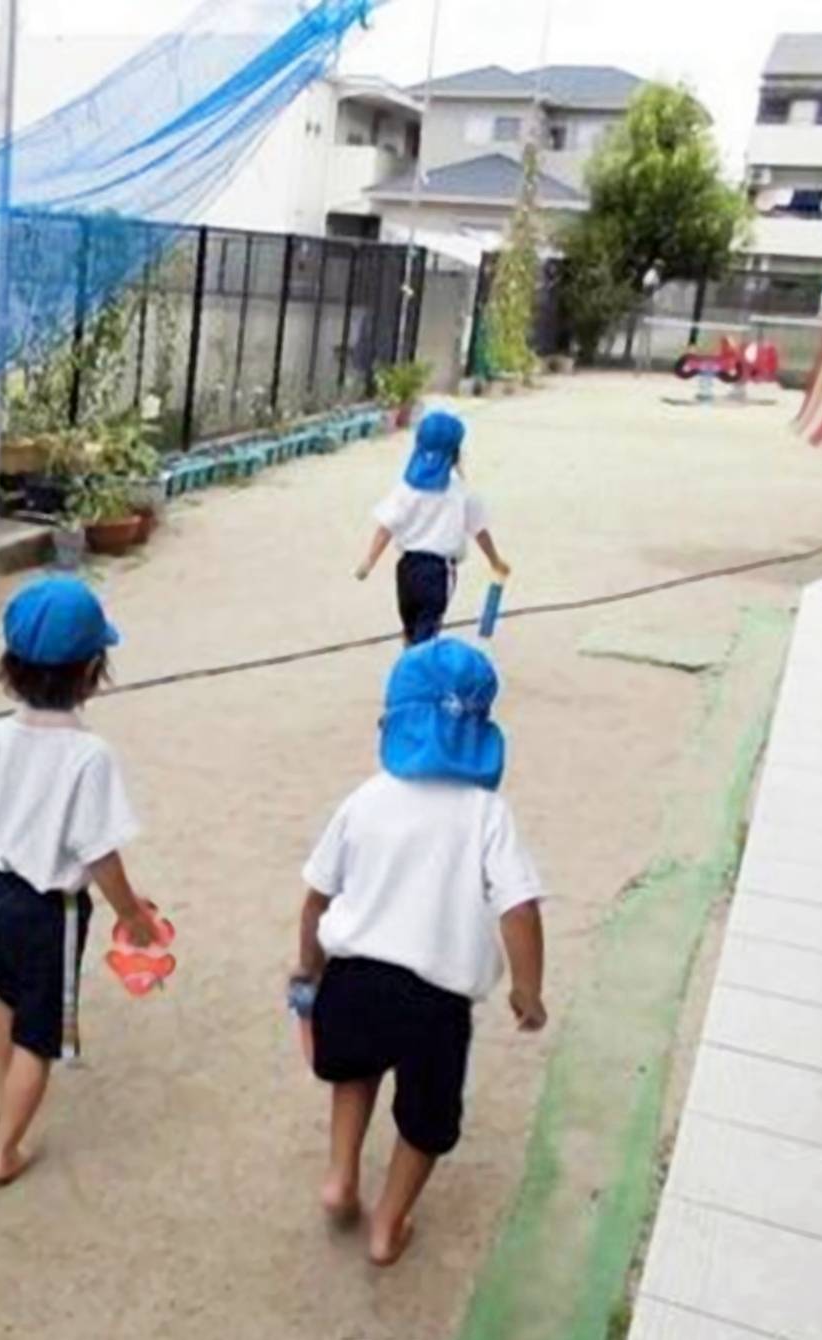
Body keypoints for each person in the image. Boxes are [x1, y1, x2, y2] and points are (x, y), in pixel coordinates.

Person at [289, 638, 547, 1266]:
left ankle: (340, 1178)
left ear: (394, 719)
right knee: (425, 1122)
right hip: (437, 1002)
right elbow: (519, 908)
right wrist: (526, 991)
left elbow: (316, 897)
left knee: (353, 1073)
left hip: (354, 977)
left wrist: (309, 968)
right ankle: (388, 1225)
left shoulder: (367, 797)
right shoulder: (487, 813)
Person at [0, 577, 163, 1187]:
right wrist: (133, 917)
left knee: (5, 999)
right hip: (50, 911)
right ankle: (6, 1150)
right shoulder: (88, 756)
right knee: (39, 1038)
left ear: (10, 667)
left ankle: (0, 1098)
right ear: (94, 669)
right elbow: (100, 856)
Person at [353, 410, 511, 644]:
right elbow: (480, 532)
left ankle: (410, 668)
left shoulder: (407, 488)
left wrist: (368, 562)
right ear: (456, 453)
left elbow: (386, 526)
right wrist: (495, 561)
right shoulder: (461, 491)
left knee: (410, 628)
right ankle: (421, 674)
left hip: (406, 569)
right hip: (439, 571)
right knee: (428, 632)